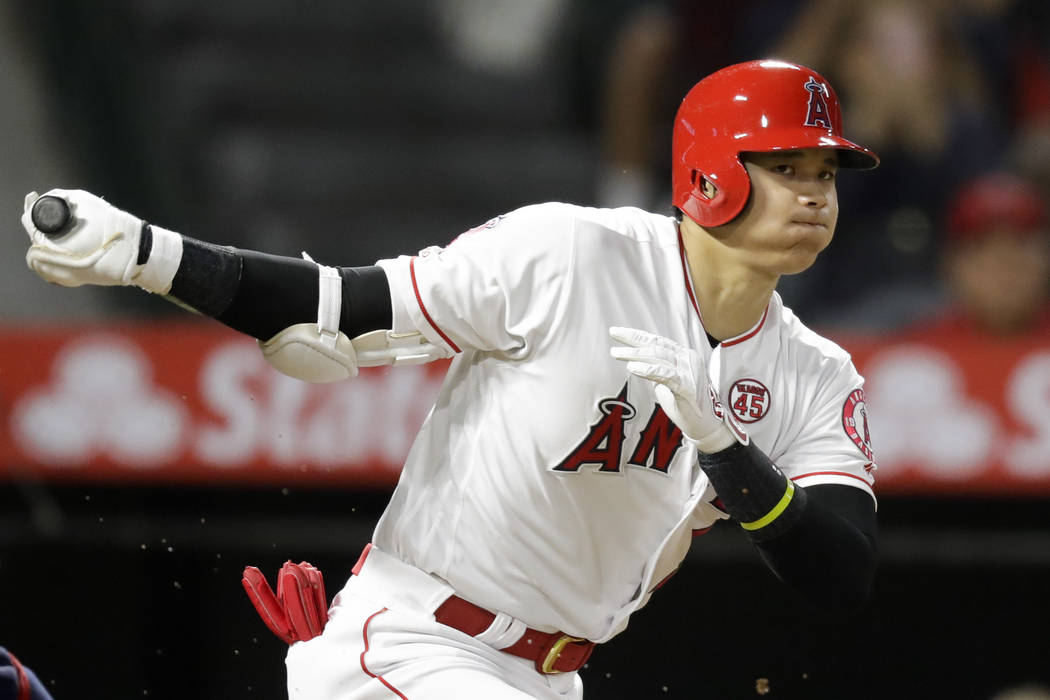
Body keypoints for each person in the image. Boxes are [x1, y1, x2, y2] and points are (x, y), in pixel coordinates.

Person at [21, 60, 879, 699]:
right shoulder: (569, 254)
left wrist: (726, 449)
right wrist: (145, 253)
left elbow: (838, 573)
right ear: (711, 172)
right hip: (420, 642)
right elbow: (337, 307)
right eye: (787, 167)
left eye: (826, 173)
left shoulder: (812, 373)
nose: (814, 194)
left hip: (552, 676)